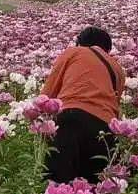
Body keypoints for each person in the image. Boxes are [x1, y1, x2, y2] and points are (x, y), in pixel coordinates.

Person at [42, 26, 126, 184]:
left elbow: (47, 97)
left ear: (79, 43)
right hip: (104, 129)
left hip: (70, 120)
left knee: (57, 186)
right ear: (106, 49)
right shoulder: (118, 69)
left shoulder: (74, 53)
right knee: (95, 192)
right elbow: (114, 105)